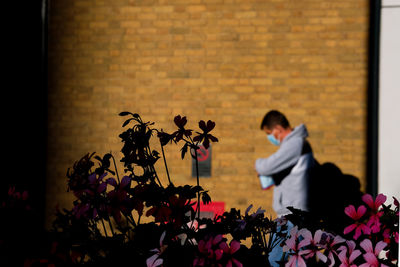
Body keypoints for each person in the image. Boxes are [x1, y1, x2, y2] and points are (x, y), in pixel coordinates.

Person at [254, 110, 317, 266]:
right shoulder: (297, 143)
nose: (271, 138)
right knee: (293, 261)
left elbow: (267, 166)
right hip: (291, 215)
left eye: (269, 133)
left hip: (293, 216)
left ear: (277, 129)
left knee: (276, 261)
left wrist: (258, 163)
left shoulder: (295, 143)